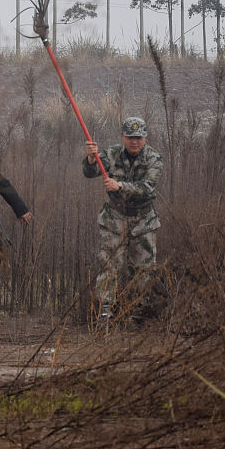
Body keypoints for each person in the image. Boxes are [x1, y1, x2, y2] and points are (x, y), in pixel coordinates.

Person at [83, 116, 163, 320]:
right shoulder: (112, 154)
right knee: (109, 266)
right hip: (114, 219)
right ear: (123, 137)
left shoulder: (154, 158)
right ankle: (104, 315)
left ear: (145, 138)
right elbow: (89, 172)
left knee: (143, 271)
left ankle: (138, 315)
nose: (134, 141)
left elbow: (147, 188)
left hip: (144, 221)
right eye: (130, 137)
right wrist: (92, 159)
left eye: (138, 137)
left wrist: (120, 186)